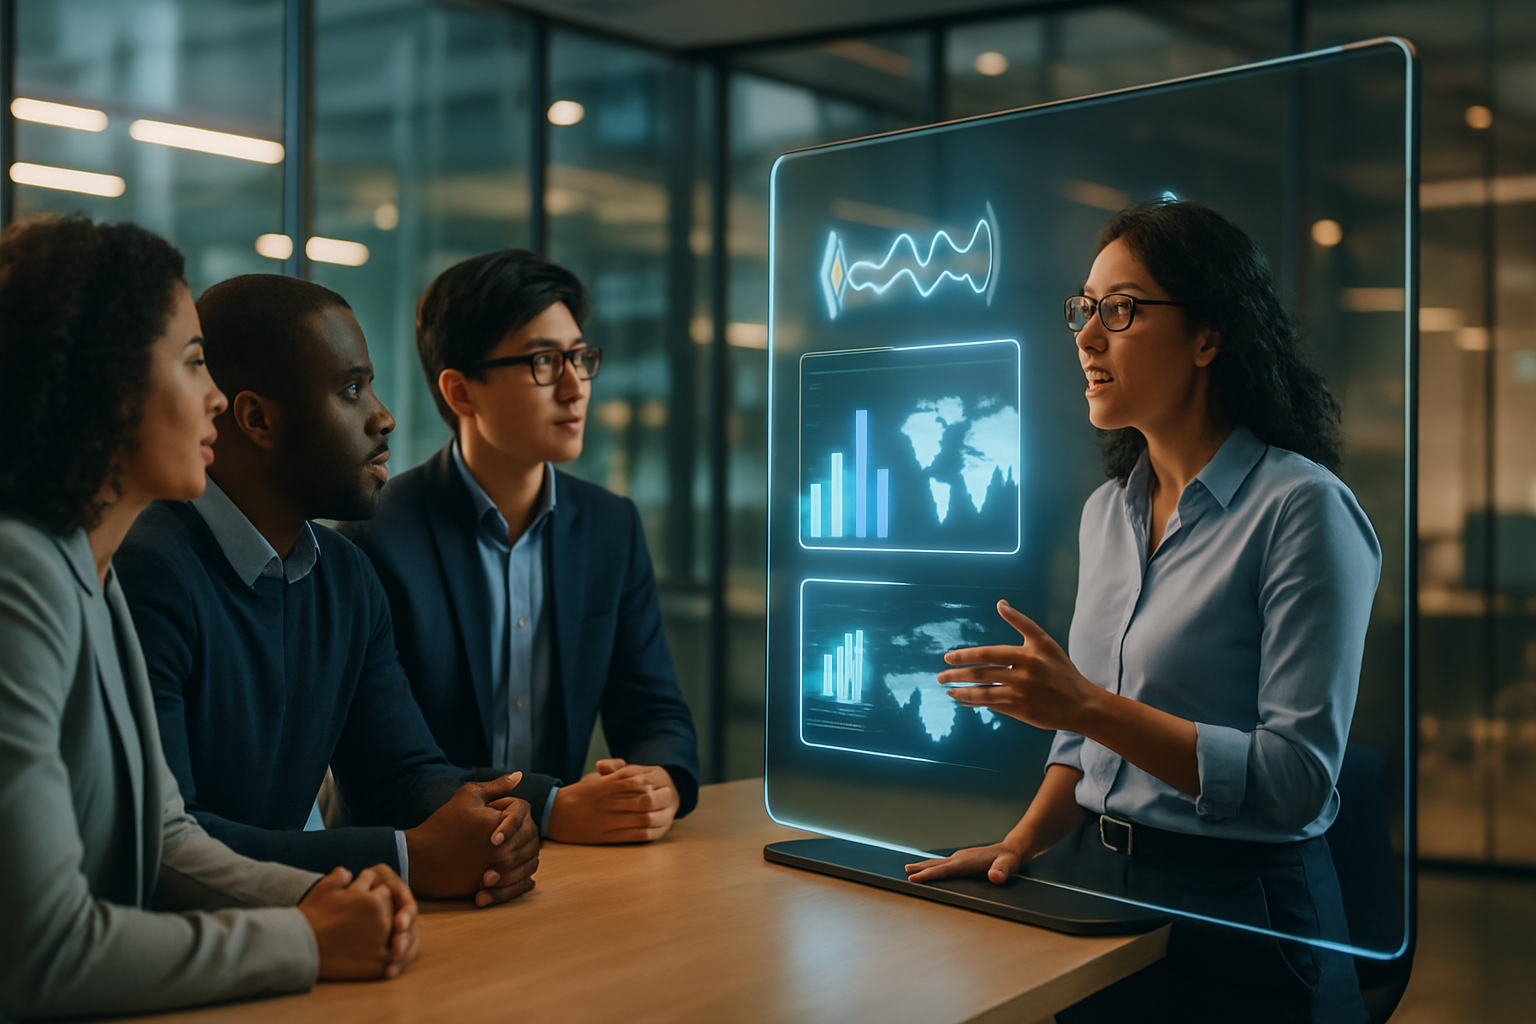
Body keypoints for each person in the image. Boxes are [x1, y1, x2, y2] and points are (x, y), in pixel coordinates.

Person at [904, 200, 1381, 1024]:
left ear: (1209, 335)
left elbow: (1298, 781)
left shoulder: (1303, 508)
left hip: (1245, 922)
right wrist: (1022, 844)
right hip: (1098, 886)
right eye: (1084, 309)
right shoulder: (1107, 513)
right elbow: (1083, 740)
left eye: (1120, 310)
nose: (1087, 336)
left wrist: (1086, 703)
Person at [0, 216, 419, 1018]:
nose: (218, 399)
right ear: (105, 384)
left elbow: (165, 840)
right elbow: (42, 955)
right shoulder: (20, 578)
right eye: (194, 365)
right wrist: (306, 940)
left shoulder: (93, 571)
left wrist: (328, 899)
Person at [113, 274, 538, 908]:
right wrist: (406, 859)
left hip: (299, 938)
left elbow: (400, 774)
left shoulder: (344, 574)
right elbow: (173, 843)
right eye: (350, 389)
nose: (382, 416)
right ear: (257, 419)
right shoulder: (146, 571)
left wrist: (501, 816)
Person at [339, 250, 700, 843]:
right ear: (460, 392)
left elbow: (655, 709)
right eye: (543, 361)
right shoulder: (375, 536)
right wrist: (552, 805)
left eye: (580, 358)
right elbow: (386, 766)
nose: (574, 386)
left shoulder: (612, 526)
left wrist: (661, 779)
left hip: (558, 868)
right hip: (415, 868)